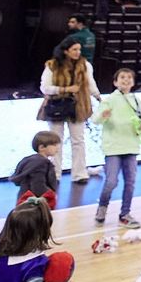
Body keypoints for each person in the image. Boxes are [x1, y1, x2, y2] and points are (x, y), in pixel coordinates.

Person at [38, 38, 100, 183]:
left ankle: (79, 174)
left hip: (78, 106)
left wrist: (98, 97)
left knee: (78, 140)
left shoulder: (85, 65)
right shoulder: (52, 65)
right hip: (56, 105)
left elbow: (91, 84)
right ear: (66, 51)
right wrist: (65, 89)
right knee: (54, 141)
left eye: (79, 49)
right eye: (74, 49)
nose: (78, 52)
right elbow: (44, 87)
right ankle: (54, 174)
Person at [93, 68, 141, 228]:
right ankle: (102, 208)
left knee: (130, 182)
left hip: (131, 146)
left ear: (133, 81)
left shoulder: (136, 100)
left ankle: (125, 214)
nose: (126, 80)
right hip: (113, 147)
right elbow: (95, 119)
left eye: (129, 77)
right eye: (122, 77)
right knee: (111, 181)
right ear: (115, 82)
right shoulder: (109, 100)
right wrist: (103, 116)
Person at [12, 131, 63, 209]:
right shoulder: (41, 164)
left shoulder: (31, 161)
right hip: (35, 203)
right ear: (42, 147)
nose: (57, 148)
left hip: (25, 200)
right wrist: (50, 196)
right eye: (54, 145)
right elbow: (38, 185)